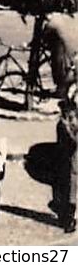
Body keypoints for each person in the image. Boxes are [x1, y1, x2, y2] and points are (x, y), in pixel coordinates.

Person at [54, 96, 78, 234]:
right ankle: (65, 217)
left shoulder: (68, 124)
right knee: (64, 189)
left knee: (70, 191)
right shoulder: (62, 125)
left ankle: (68, 219)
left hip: (71, 164)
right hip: (64, 162)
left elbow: (74, 142)